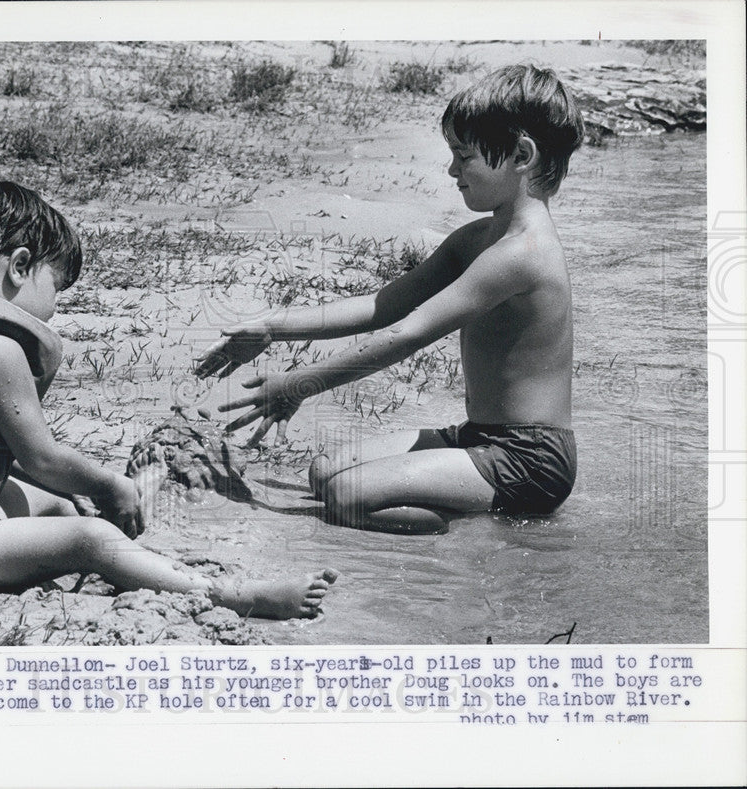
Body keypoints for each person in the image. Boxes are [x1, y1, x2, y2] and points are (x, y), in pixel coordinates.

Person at [0, 181, 336, 618]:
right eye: (58, 286)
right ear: (21, 267)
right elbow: (41, 457)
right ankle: (231, 595)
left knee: (62, 504)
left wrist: (80, 494)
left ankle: (134, 563)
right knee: (88, 536)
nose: (55, 306)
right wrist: (113, 485)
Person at [195, 65, 585, 535]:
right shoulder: (477, 238)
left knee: (347, 494)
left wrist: (301, 383)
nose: (452, 170)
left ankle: (473, 537)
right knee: (325, 473)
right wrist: (275, 326)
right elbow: (385, 306)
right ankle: (469, 509)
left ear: (521, 155)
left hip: (531, 461)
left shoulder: (522, 254)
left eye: (464, 156)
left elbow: (406, 335)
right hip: (481, 437)